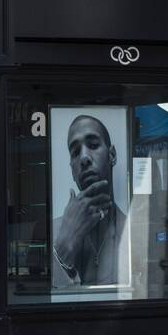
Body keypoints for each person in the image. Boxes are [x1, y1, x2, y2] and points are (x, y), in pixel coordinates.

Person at [52, 114, 129, 287]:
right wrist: (63, 249)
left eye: (93, 145)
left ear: (112, 155)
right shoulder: (53, 233)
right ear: (72, 171)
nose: (84, 158)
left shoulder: (134, 233)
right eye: (75, 152)